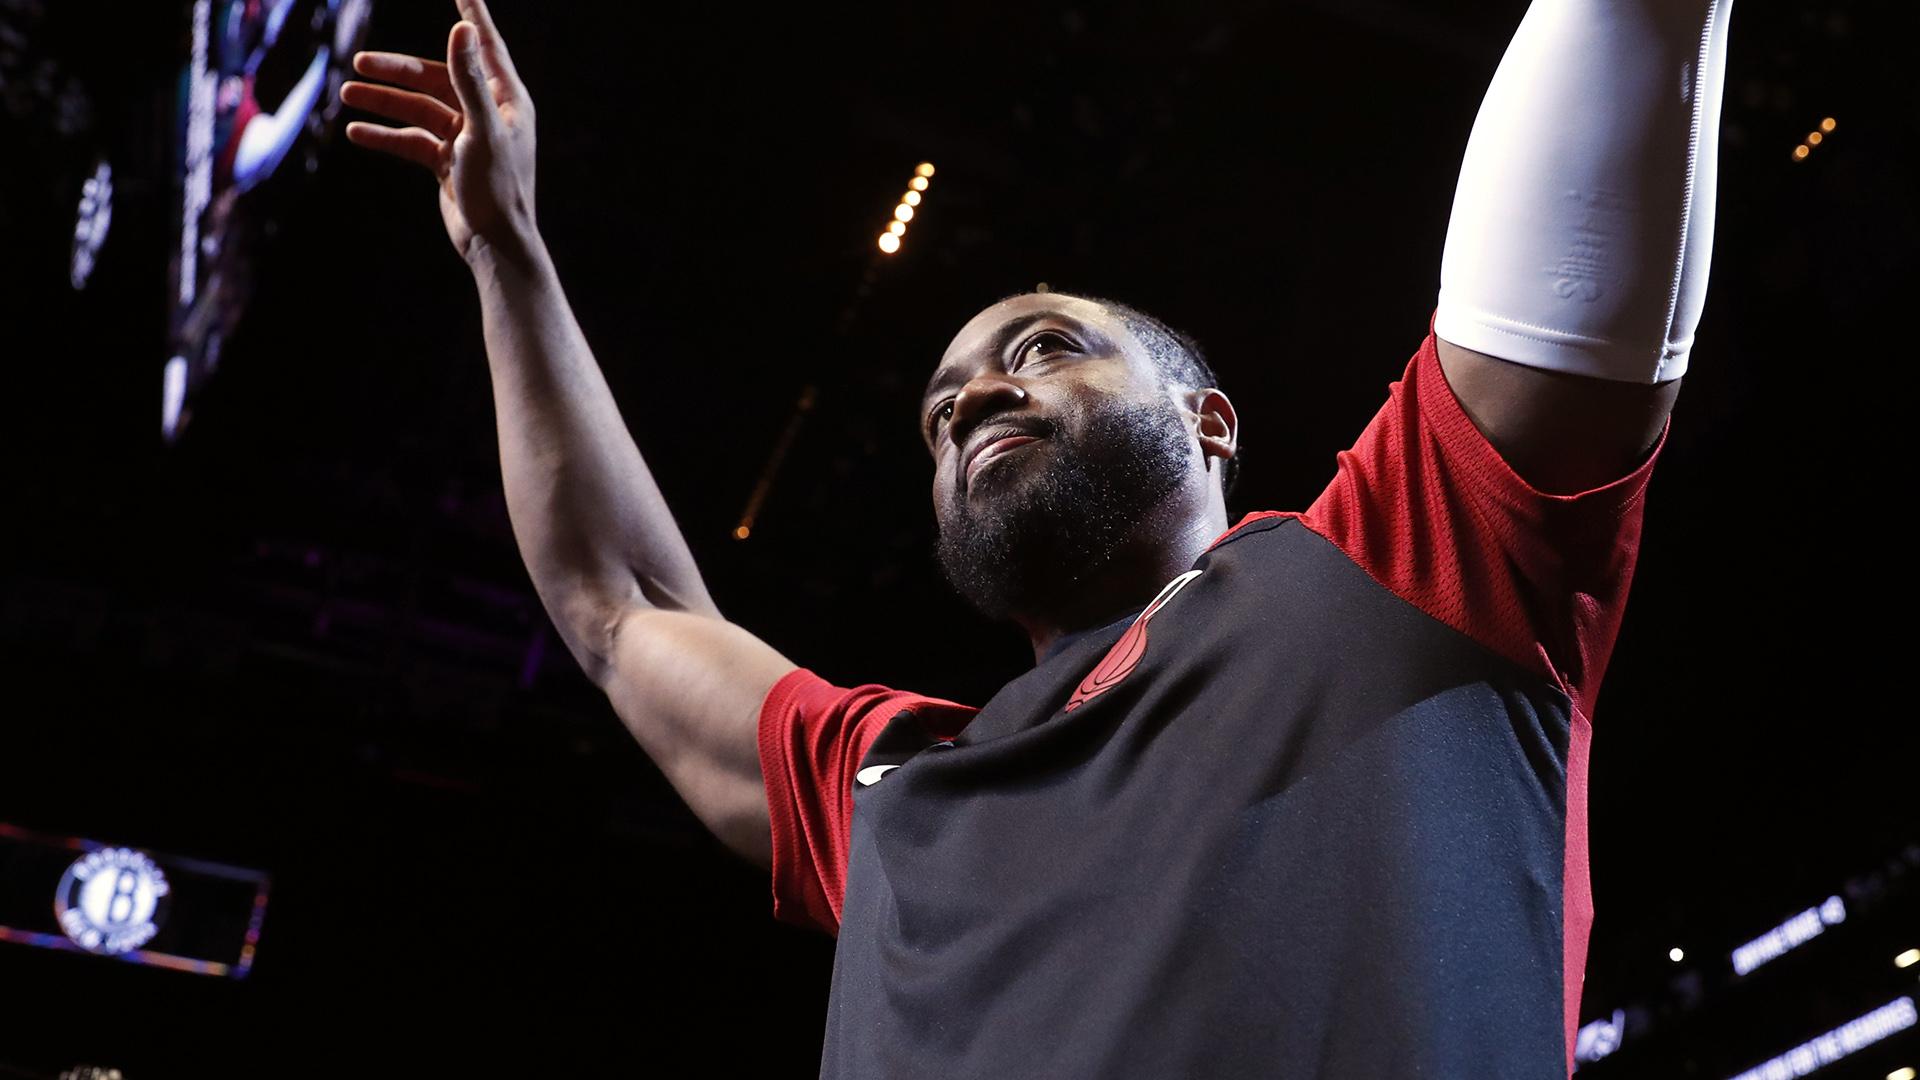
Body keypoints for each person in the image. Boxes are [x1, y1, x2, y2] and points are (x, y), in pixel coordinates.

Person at [340, 0, 1733, 1074]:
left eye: (1044, 348)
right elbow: (618, 604)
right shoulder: (893, 788)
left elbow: (1584, 204)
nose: (974, 400)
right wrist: (508, 252)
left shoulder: (1405, 570)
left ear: (1209, 420)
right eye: (942, 408)